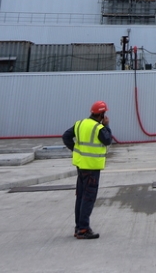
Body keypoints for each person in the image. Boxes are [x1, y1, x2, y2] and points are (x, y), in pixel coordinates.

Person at [62, 100, 112, 239]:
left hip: (81, 165)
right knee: (88, 198)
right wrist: (107, 126)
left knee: (81, 197)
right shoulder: (99, 128)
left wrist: (75, 150)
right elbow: (107, 140)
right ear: (101, 114)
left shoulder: (80, 123)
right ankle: (83, 229)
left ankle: (79, 227)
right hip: (92, 167)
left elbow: (66, 136)